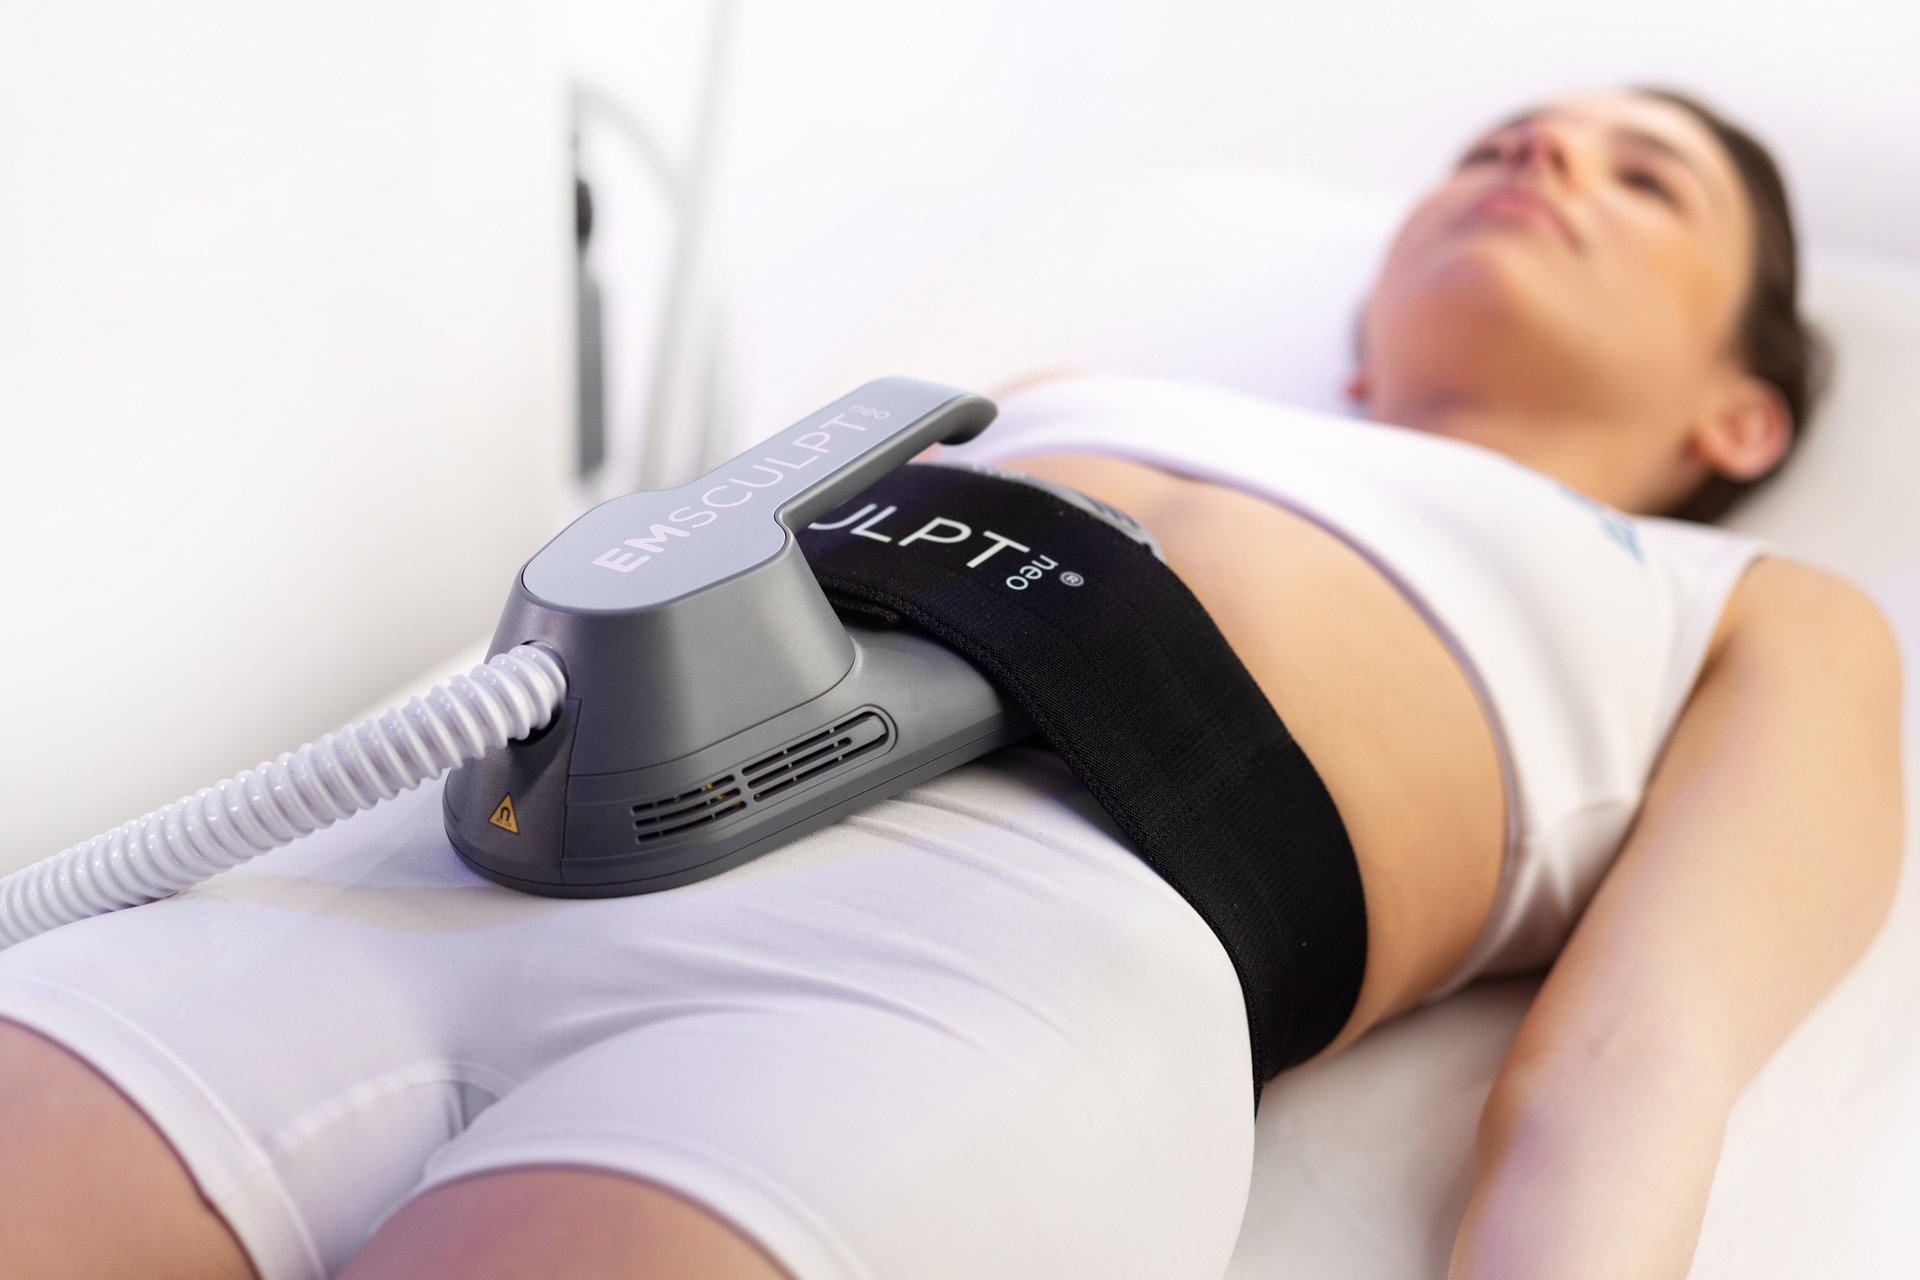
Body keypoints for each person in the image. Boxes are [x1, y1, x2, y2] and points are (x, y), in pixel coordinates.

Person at [0, 86, 1903, 1280]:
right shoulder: (1056, 387)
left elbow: (1636, 1066)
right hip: (474, 836)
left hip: (998, 970)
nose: (1541, 157)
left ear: (1742, 412)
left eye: (1643, 178)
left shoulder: (1751, 604)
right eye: (1494, 144)